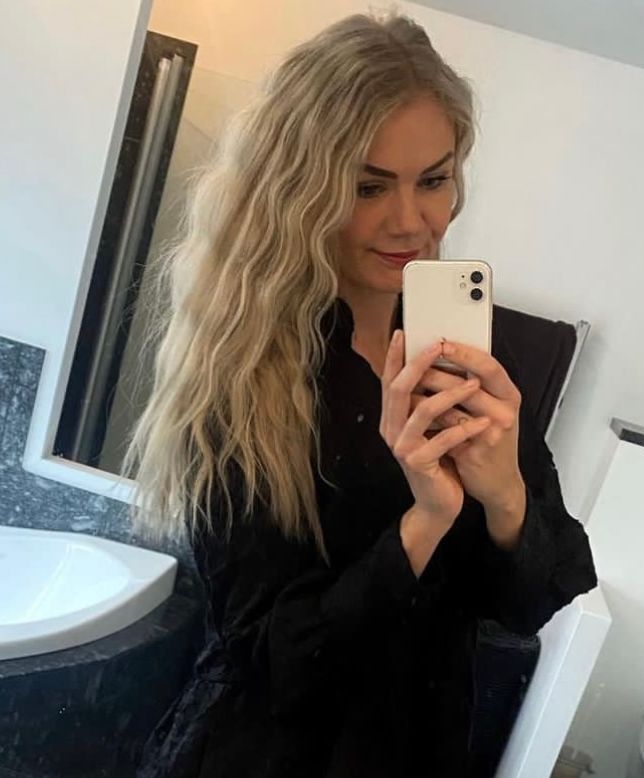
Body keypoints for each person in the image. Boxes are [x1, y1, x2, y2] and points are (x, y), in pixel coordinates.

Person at [126, 11, 597, 778]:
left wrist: (505, 494)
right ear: (300, 190)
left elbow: (530, 601)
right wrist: (427, 519)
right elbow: (275, 663)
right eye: (367, 185)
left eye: (433, 180)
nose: (411, 220)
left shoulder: (476, 356)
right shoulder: (245, 376)